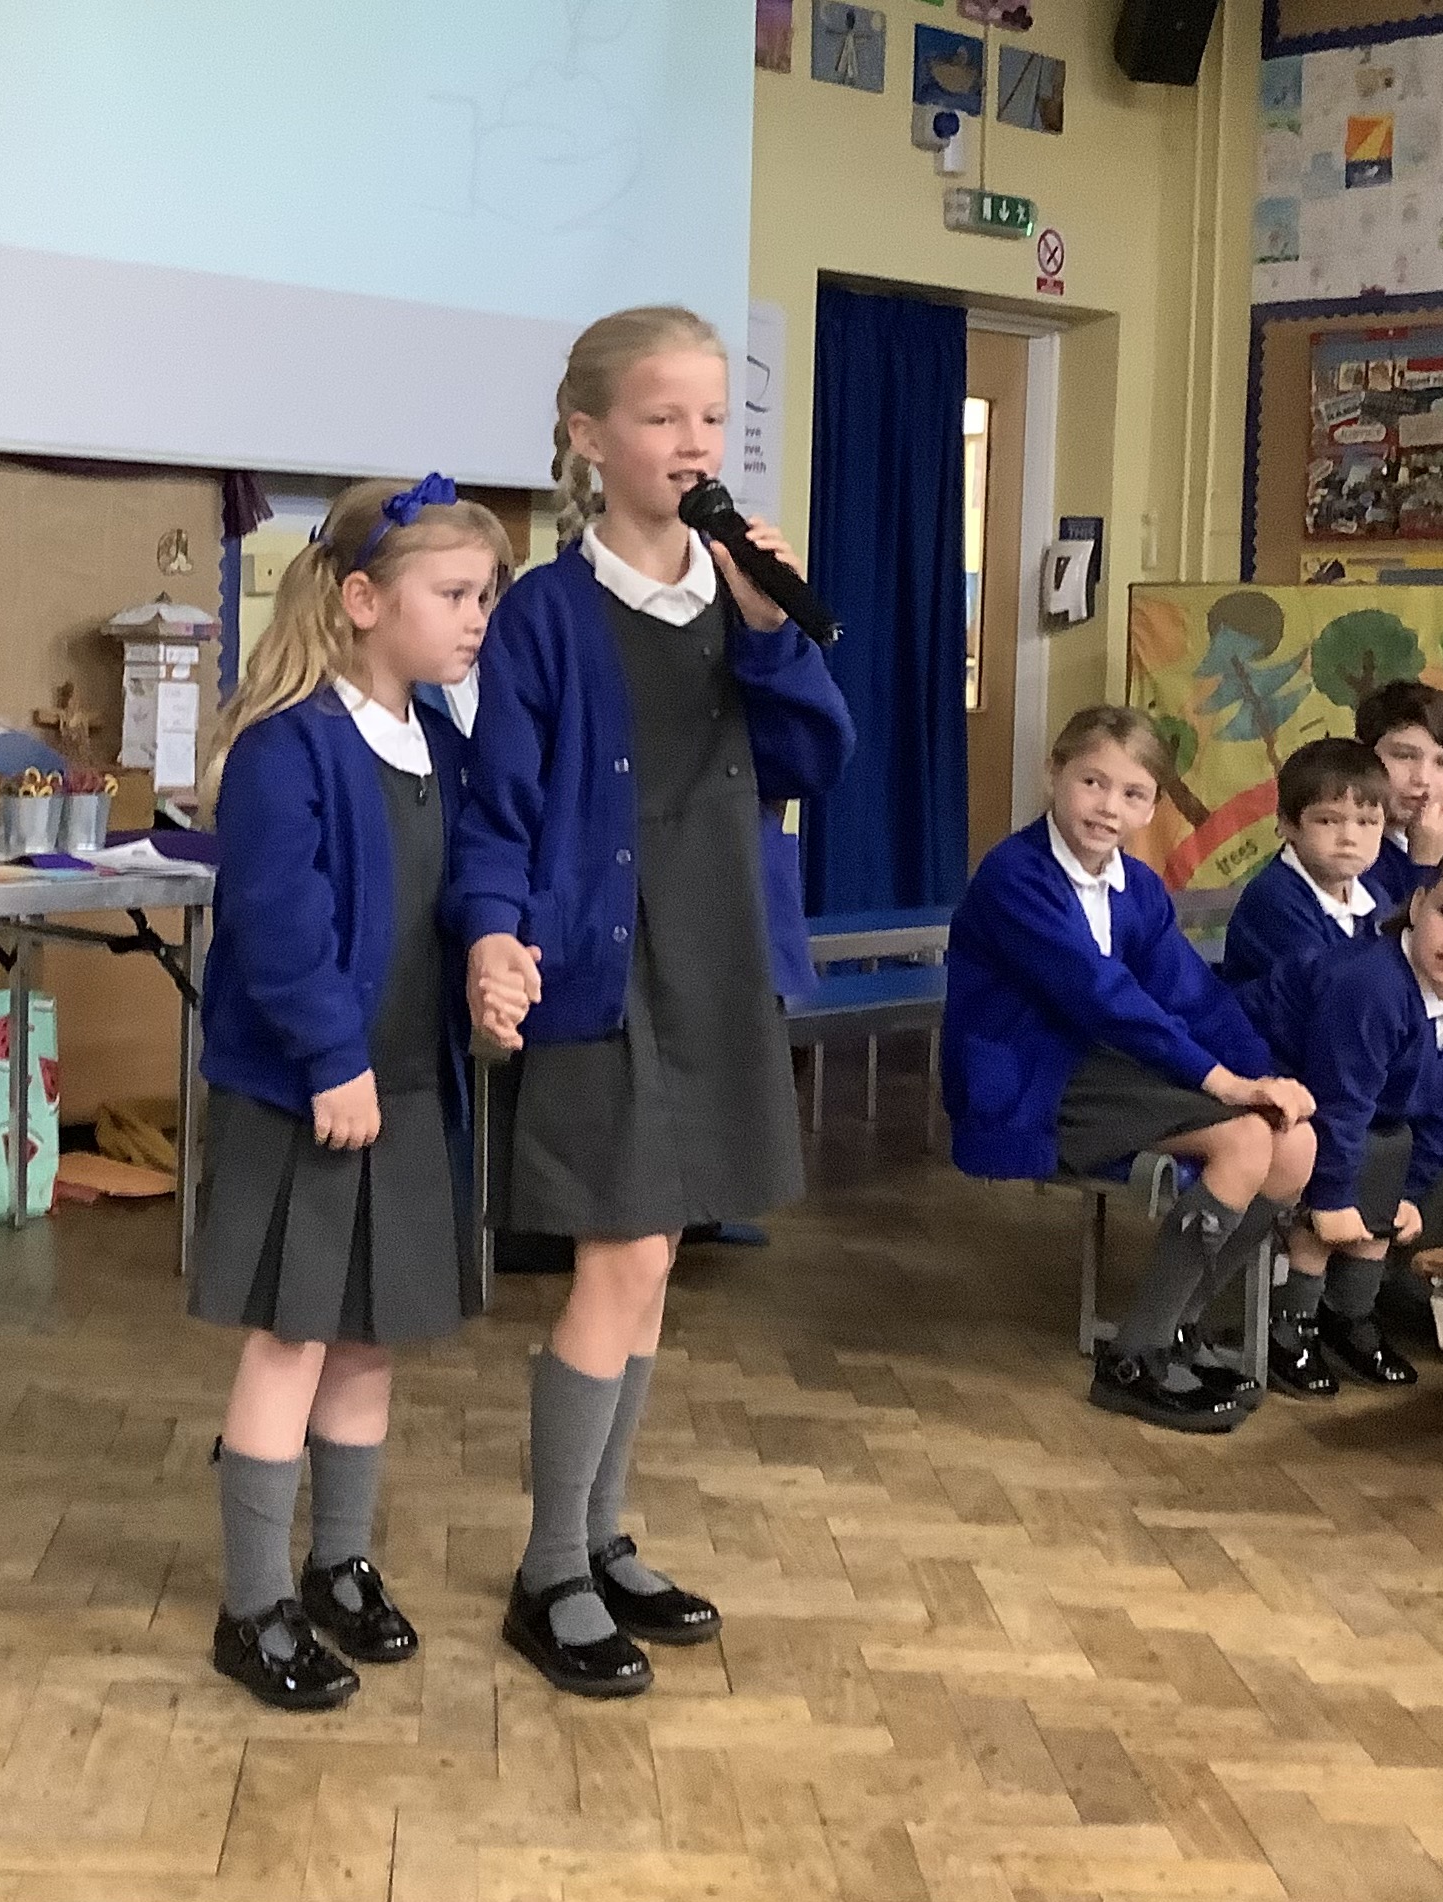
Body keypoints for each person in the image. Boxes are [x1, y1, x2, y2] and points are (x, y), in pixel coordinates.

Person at [452, 305, 853, 1698]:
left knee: (658, 1261)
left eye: (712, 418)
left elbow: (811, 758)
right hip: (603, 967)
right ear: (588, 437)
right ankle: (547, 1567)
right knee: (616, 1260)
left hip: (716, 960)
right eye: (661, 416)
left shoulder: (737, 595)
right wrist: (492, 939)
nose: (694, 443)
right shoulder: (544, 617)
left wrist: (770, 633)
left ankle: (600, 1533)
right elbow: (498, 810)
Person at [192, 475, 525, 1712]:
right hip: (312, 1092)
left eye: (486, 595)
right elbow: (281, 923)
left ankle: (337, 1565)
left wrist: (493, 954)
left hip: (410, 1090)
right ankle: (252, 1607)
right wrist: (334, 1058)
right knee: (292, 1338)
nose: (477, 616)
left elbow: (472, 873)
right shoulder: (287, 748)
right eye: (455, 592)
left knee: (370, 1337)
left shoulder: (440, 741)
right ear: (364, 600)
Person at [942, 705, 1317, 1433]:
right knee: (1242, 1140)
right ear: (1053, 774)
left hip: (1105, 1071)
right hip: (1030, 1083)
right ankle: (1132, 1361)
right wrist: (1223, 1085)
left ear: (1151, 807)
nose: (1109, 806)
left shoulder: (1137, 887)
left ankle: (1176, 1327)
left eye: (1133, 793)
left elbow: (1194, 997)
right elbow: (1101, 996)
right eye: (1092, 782)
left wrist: (1265, 1080)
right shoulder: (1015, 875)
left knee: (1291, 1140)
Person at [1239, 848, 1443, 1396]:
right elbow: (1339, 1101)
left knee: (1391, 1146)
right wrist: (1332, 1201)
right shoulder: (1373, 984)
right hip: (1268, 1084)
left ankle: (1348, 1313)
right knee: (1349, 1155)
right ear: (1418, 904)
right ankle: (1290, 1322)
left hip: (1356, 1107)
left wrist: (1409, 1194)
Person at [1219, 738, 1388, 990]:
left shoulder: (1374, 897)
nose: (1349, 838)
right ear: (1287, 824)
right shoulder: (1273, 899)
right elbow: (1327, 988)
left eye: (1367, 822)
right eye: (1328, 821)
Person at [1355, 680, 1443, 908]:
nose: (1423, 778)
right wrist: (1427, 866)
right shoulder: (1344, 851)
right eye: (1404, 756)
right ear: (1361, 756)